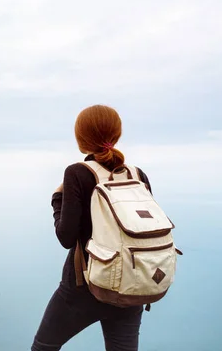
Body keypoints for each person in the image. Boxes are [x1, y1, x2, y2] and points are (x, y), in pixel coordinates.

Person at [31, 105, 152, 351]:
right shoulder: (137, 174)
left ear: (81, 139)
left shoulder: (77, 173)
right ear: (116, 134)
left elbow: (66, 237)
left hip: (83, 290)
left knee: (44, 347)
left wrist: (57, 201)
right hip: (130, 287)